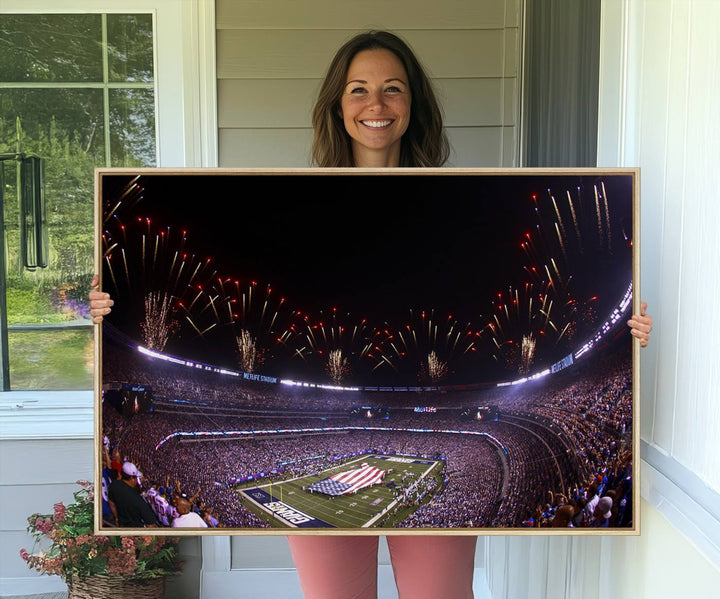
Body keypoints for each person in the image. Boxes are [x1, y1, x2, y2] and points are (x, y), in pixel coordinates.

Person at [90, 29, 654, 599]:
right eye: (358, 89)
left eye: (392, 89)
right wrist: (103, 307)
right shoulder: (299, 211)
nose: (375, 105)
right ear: (338, 104)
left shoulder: (456, 207)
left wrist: (625, 340)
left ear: (413, 105)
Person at [107, 461, 159, 528]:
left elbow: (111, 503)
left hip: (121, 525)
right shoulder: (138, 499)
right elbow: (150, 525)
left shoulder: (113, 485)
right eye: (136, 478)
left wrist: (117, 518)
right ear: (132, 478)